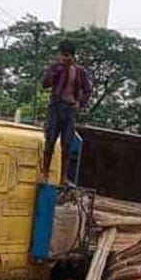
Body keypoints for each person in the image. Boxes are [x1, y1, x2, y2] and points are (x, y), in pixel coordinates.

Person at [40, 39, 92, 184]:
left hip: (69, 109)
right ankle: (45, 173)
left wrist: (80, 103)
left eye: (67, 55)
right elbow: (45, 84)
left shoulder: (79, 72)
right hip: (56, 107)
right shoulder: (55, 68)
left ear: (73, 56)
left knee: (67, 144)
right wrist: (54, 71)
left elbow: (88, 90)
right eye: (62, 55)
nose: (64, 58)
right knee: (50, 140)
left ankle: (63, 177)